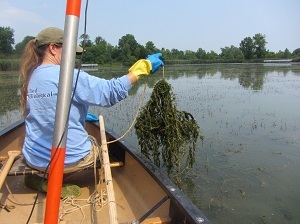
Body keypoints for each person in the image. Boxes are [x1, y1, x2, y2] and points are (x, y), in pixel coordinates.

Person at [20, 27, 164, 176]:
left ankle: (39, 178)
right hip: (67, 161)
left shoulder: (33, 75)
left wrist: (79, 114)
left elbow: (47, 108)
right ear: (53, 48)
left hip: (34, 158)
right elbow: (110, 92)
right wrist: (142, 68)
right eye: (69, 50)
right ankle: (64, 179)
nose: (72, 57)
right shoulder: (67, 75)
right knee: (95, 142)